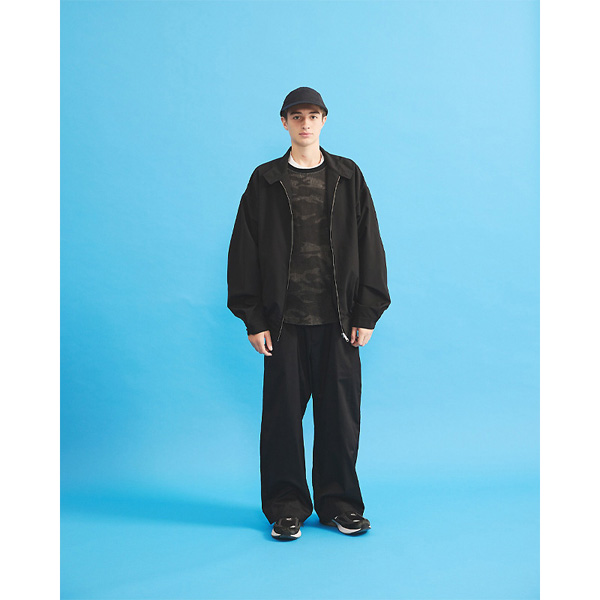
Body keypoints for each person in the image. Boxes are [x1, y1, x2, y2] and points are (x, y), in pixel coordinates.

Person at [227, 87, 391, 540]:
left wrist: (367, 312)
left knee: (340, 419)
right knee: (282, 422)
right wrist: (254, 318)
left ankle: (340, 505)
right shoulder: (265, 180)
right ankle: (286, 507)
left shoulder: (347, 176)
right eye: (296, 116)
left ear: (324, 121)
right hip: (283, 326)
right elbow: (244, 251)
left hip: (339, 324)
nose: (305, 124)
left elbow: (370, 245)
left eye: (313, 116)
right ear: (284, 122)